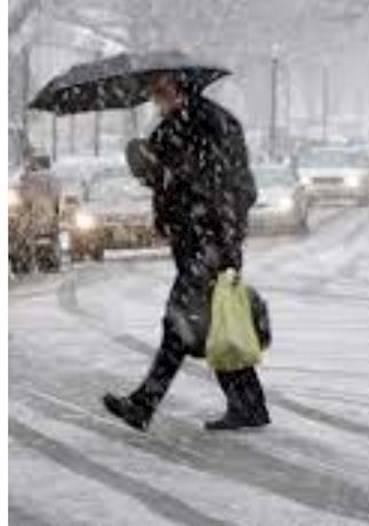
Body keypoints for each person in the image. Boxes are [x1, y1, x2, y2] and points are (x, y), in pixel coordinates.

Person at [103, 72, 271, 430]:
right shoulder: (174, 128)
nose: (155, 97)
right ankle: (249, 405)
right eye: (154, 92)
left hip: (209, 243)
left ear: (182, 88)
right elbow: (166, 179)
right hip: (196, 241)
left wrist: (224, 244)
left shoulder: (211, 125)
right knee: (215, 325)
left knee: (178, 324)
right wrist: (146, 165)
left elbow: (233, 188)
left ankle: (144, 404)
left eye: (162, 90)